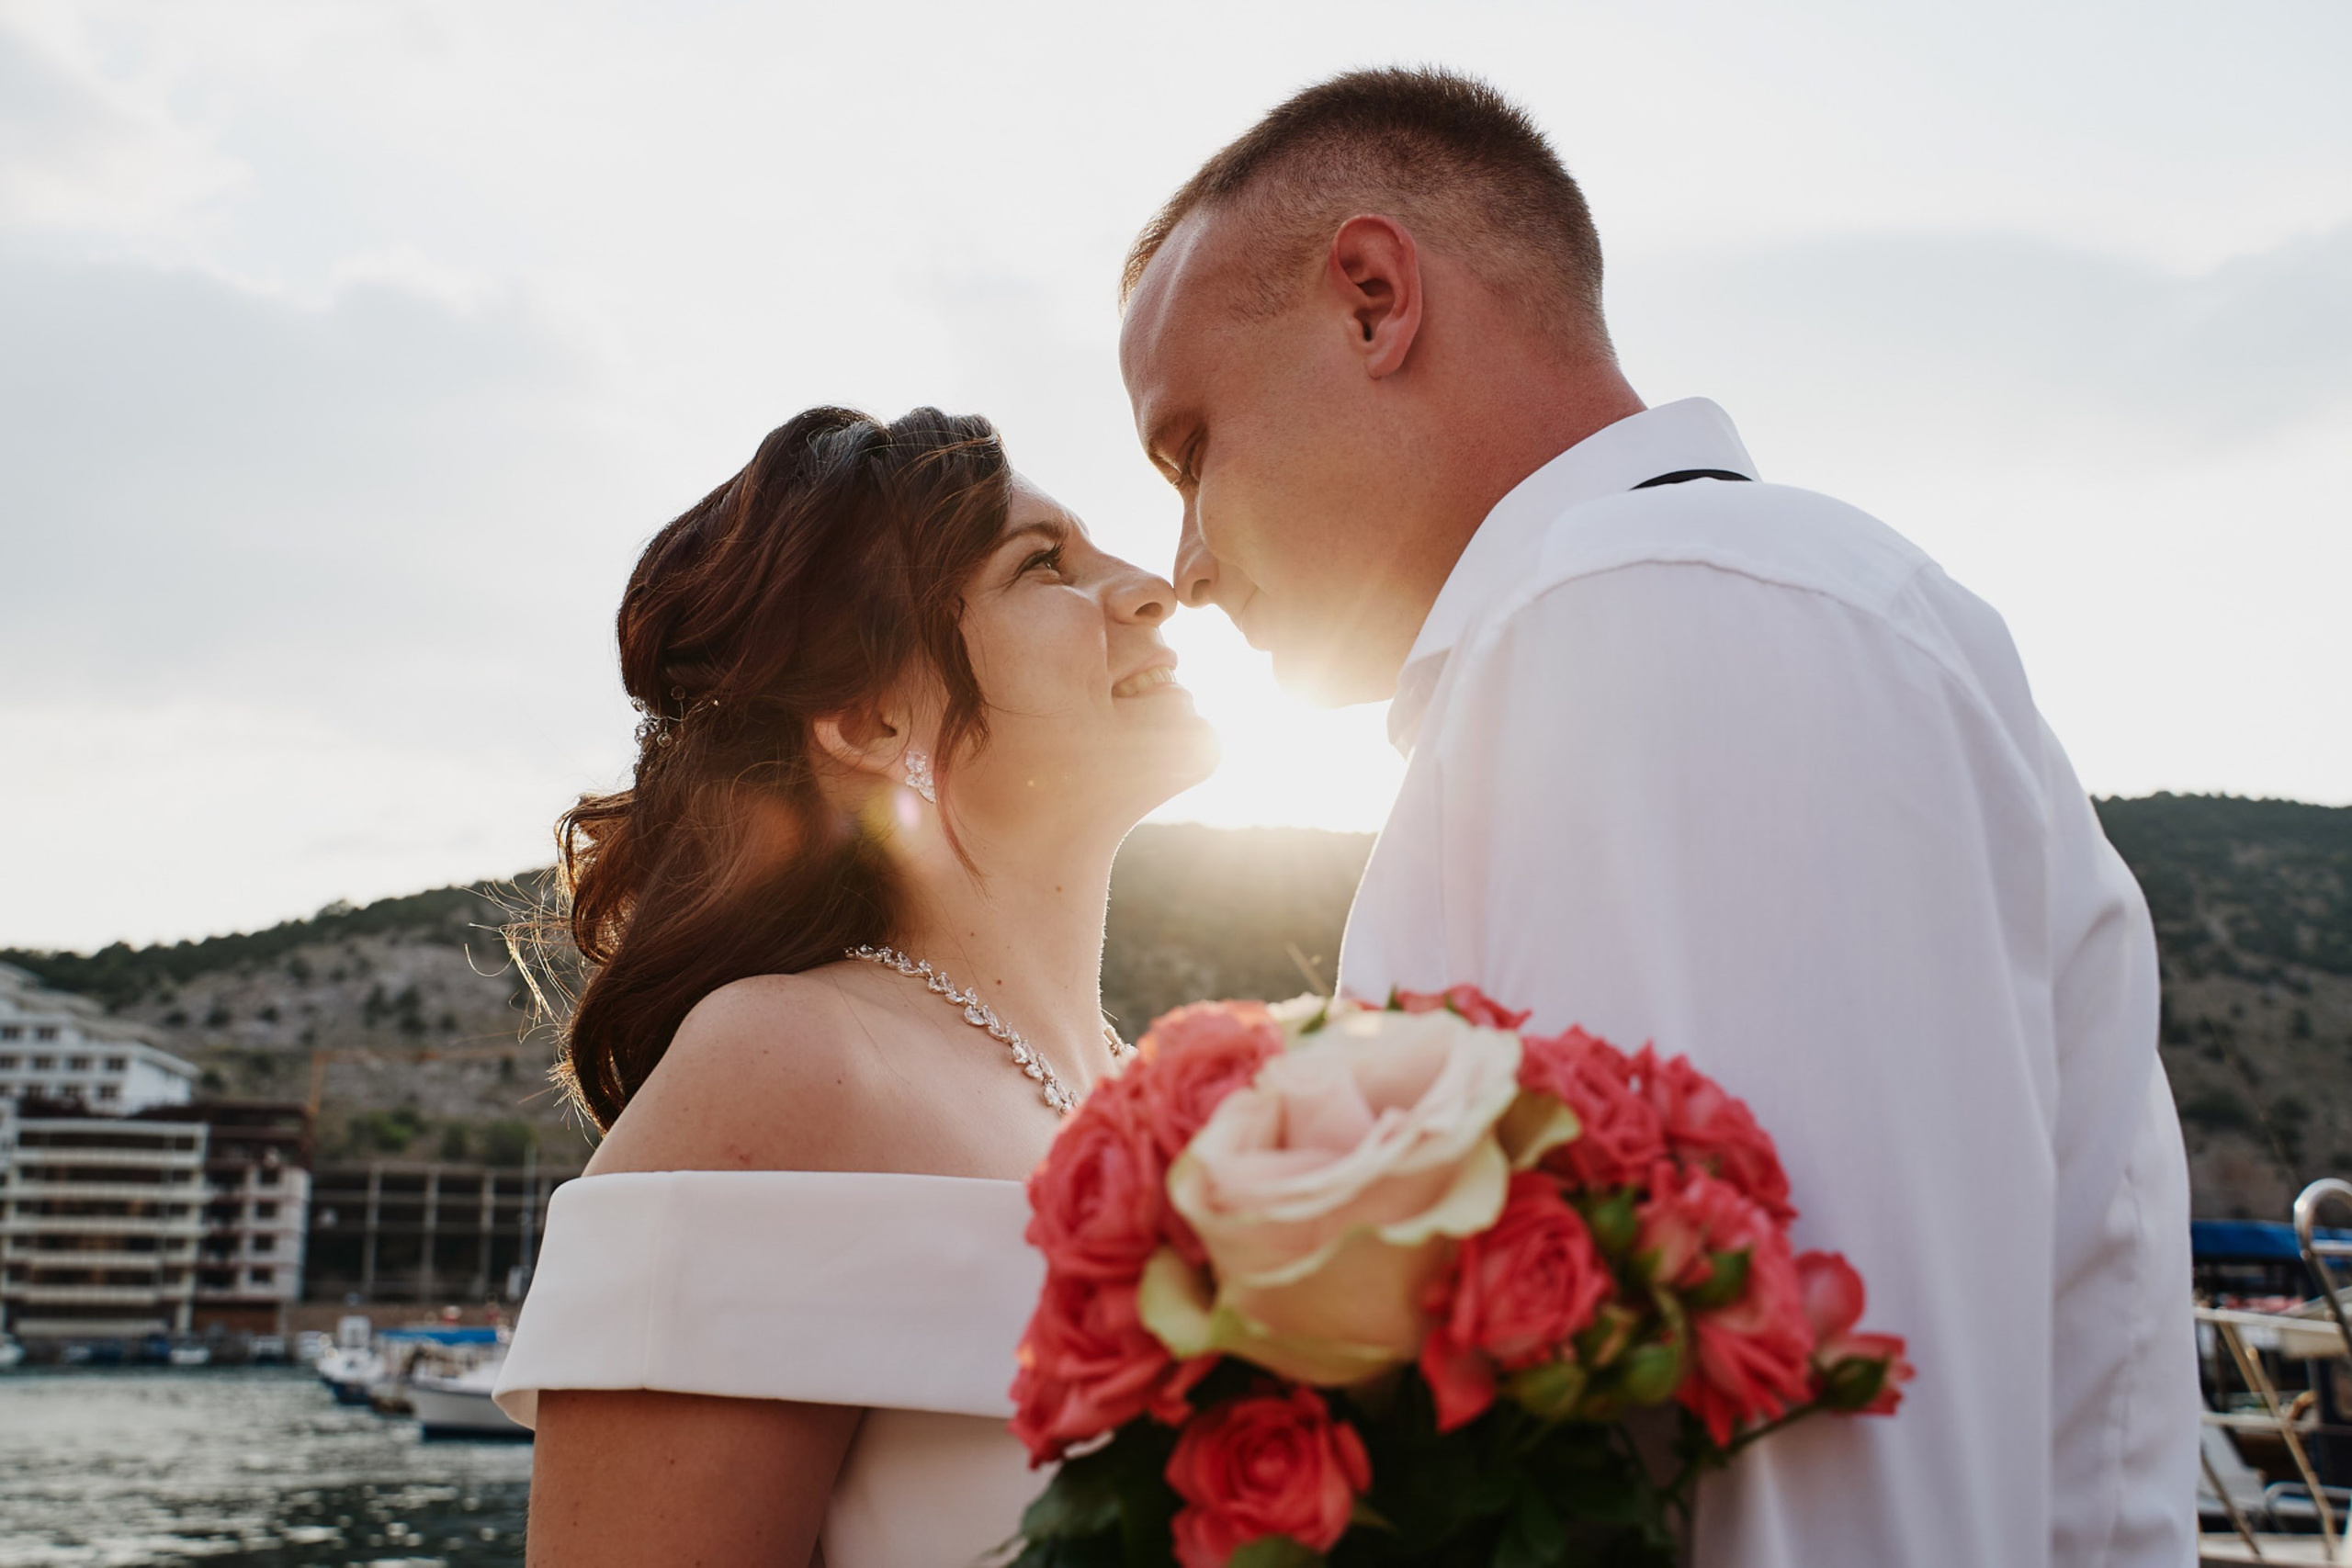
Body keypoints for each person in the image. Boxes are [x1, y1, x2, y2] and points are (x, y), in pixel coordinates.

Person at [1118, 68, 2198, 1567]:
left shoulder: (1662, 612)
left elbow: (1814, 1478)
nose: (1181, 564)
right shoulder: (1630, 631)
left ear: (1373, 299)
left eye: (1187, 449)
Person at [493, 406, 1217, 1566]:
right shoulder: (784, 1063)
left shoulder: (1170, 1099)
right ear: (873, 718)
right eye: (1044, 565)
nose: (1150, 588)